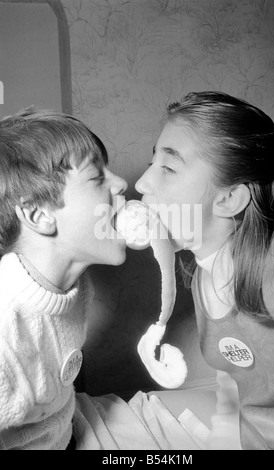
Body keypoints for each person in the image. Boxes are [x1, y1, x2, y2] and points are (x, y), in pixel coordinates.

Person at [135, 91, 274, 450]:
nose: (142, 184)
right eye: (152, 163)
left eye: (168, 167)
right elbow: (235, 384)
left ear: (228, 199)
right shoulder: (203, 277)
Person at [0, 106, 128, 450]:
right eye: (97, 177)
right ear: (39, 214)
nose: (122, 183)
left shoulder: (75, 287)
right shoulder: (4, 335)